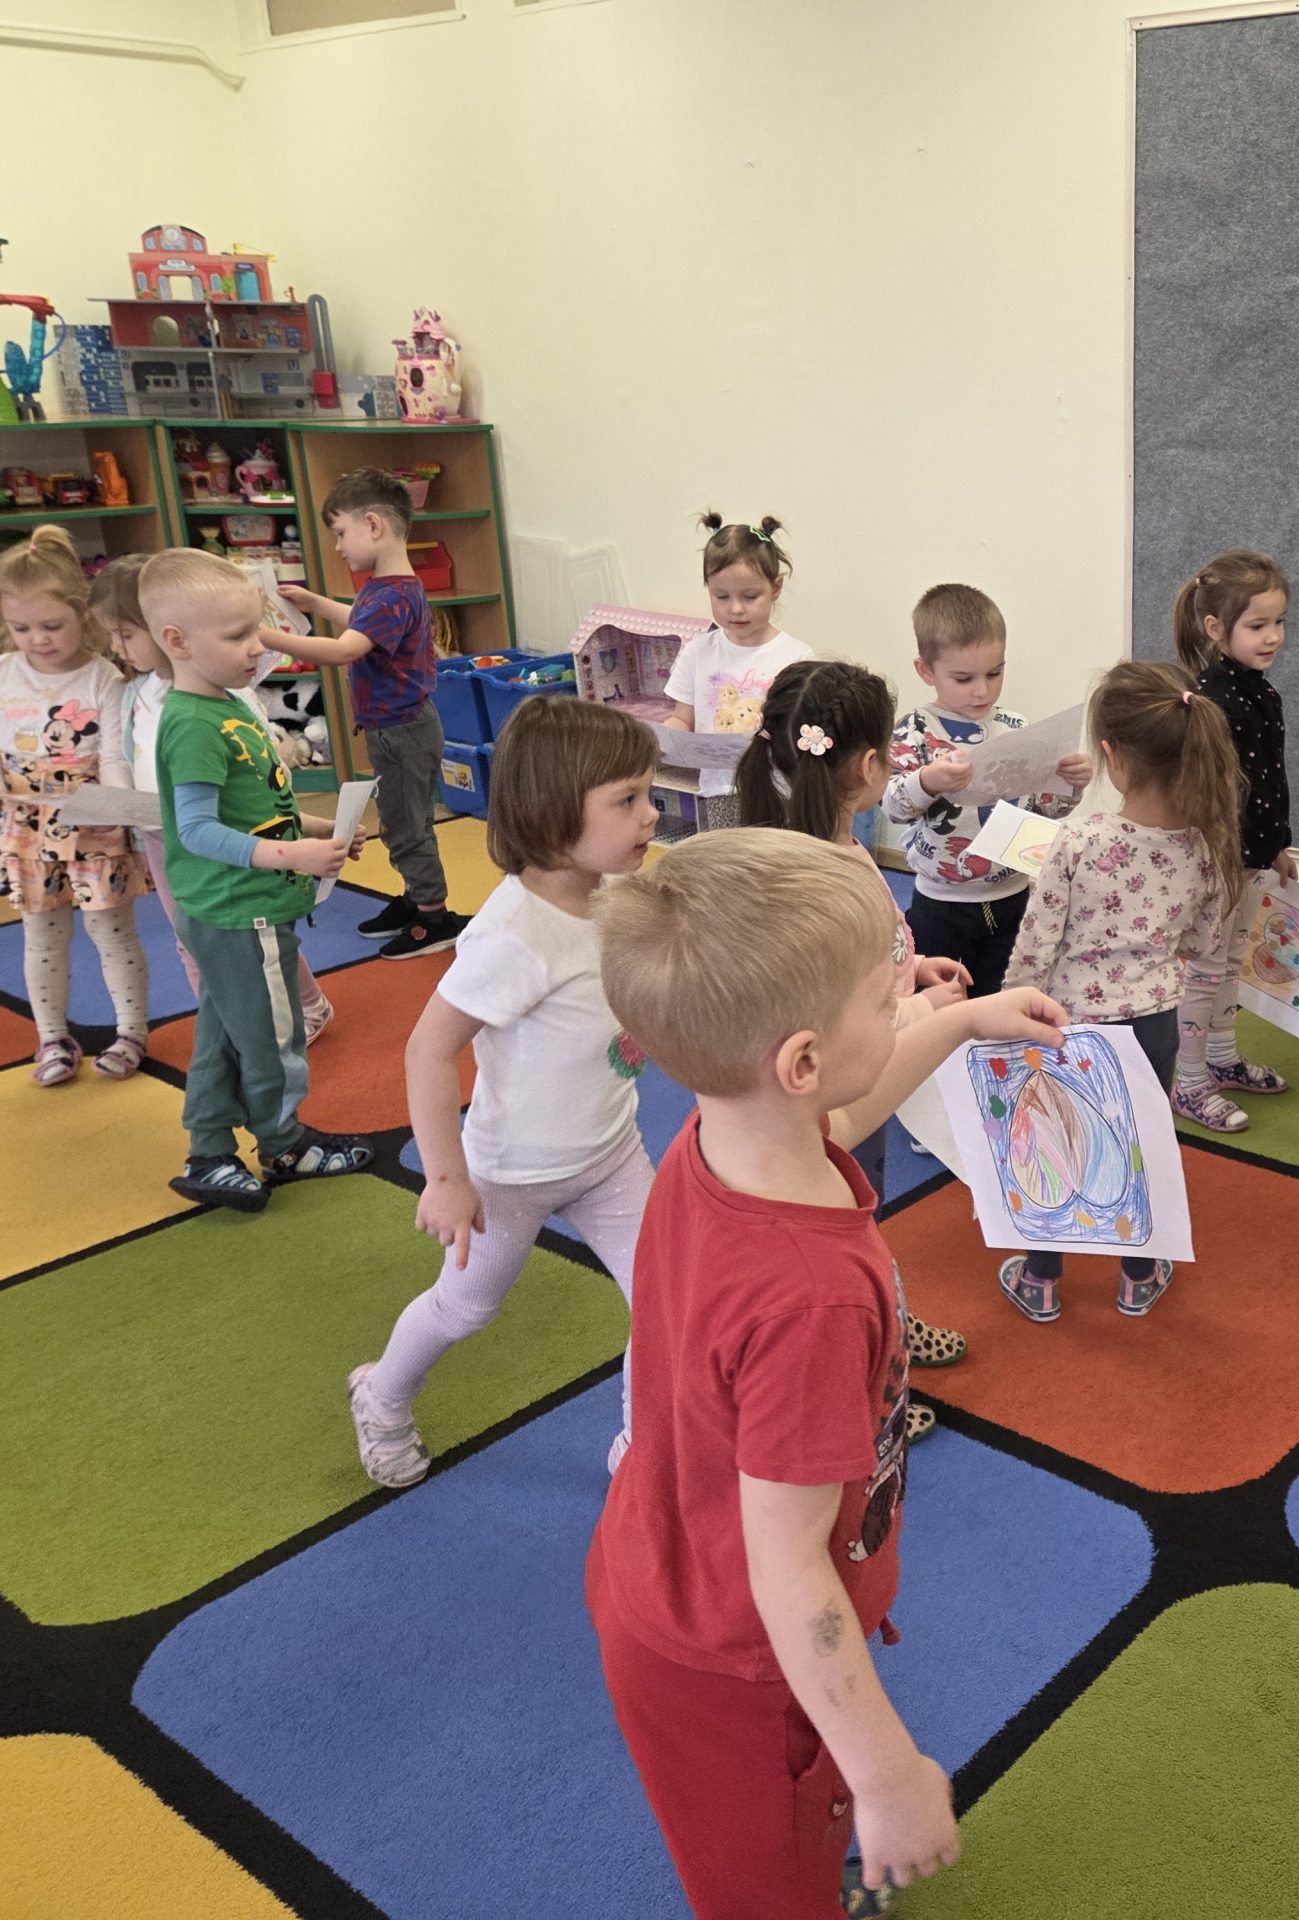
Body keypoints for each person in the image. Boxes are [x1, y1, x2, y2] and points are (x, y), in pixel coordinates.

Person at [587, 828, 1066, 1918]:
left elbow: (844, 1109)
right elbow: (788, 1569)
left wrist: (960, 1021)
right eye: (882, 993)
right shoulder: (810, 1298)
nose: (904, 993)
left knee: (795, 1835)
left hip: (669, 1564)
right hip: (737, 1659)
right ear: (801, 1059)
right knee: (770, 1889)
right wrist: (888, 1772)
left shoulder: (725, 1137)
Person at [346, 699, 664, 1490]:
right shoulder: (514, 935)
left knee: (668, 1301)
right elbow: (428, 1048)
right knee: (465, 1307)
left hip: (611, 1155)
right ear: (553, 813)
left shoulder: (614, 890)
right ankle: (381, 1395)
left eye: (648, 793)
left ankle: (644, 1445)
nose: (651, 814)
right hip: (510, 1175)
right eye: (627, 800)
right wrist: (446, 1179)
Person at [738, 658, 972, 1428]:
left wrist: (912, 966)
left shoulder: (818, 845)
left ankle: (885, 1332)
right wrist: (927, 1008)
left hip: (839, 1091)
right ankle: (864, 1394)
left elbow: (874, 955)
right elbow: (842, 1023)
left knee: (858, 1226)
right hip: (836, 1091)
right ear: (870, 766)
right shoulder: (827, 875)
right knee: (837, 1249)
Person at [999, 661, 1240, 1321]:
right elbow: (1202, 943)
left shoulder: (1078, 839)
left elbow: (1035, 943)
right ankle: (1138, 1275)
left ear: (1112, 757)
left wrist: (1009, 1010)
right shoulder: (1206, 847)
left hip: (1065, 1023)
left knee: (1054, 1142)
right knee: (1141, 1143)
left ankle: (1041, 1278)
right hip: (1154, 1025)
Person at [145, 549, 374, 1212]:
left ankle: (209, 1152)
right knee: (274, 1036)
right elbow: (196, 829)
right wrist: (291, 856)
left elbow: (251, 803)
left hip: (234, 907)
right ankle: (284, 1144)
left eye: (257, 629)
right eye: (237, 636)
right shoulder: (193, 723)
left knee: (222, 1033)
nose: (258, 646)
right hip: (239, 909)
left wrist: (315, 826)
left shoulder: (227, 704)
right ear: (177, 642)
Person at [93, 554, 332, 1043]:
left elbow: (262, 768)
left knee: (260, 930)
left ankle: (305, 1005)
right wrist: (117, 803)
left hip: (232, 833)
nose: (115, 648)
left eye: (125, 634)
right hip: (165, 836)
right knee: (194, 938)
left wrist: (298, 827)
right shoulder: (133, 694)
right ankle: (228, 1028)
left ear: (165, 633)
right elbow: (120, 754)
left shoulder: (221, 696)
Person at [0, 526, 152, 1086]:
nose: (37, 640)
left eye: (51, 626)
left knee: (111, 932)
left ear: (82, 614)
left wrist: (113, 807)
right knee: (42, 937)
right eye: (21, 629)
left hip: (92, 821)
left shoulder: (104, 677)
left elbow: (113, 756)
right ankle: (51, 1038)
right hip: (25, 825)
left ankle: (132, 1032)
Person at [276, 468, 463, 960]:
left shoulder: (392, 593)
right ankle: (416, 897)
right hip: (398, 728)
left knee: (407, 827)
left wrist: (265, 637)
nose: (338, 547)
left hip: (403, 731)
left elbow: (345, 649)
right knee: (404, 820)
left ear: (374, 525)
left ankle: (434, 918)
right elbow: (360, 623)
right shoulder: (389, 589)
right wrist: (314, 603)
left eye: (341, 533)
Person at [884, 583, 1091, 996]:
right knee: (935, 999)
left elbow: (1040, 810)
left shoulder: (1014, 726)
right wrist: (928, 781)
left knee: (1002, 994)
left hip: (1010, 894)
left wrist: (1069, 785)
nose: (982, 690)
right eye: (963, 678)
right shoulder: (915, 731)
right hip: (940, 901)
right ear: (926, 671)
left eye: (995, 673)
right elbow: (892, 806)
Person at [1170, 549, 1294, 1134]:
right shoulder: (1212, 701)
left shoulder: (1259, 691)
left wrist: (1276, 845)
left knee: (1228, 964)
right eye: (1258, 625)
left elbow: (1266, 780)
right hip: (1217, 864)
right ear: (1216, 628)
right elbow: (1204, 795)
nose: (1273, 637)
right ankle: (1189, 1080)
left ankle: (1220, 1056)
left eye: (1279, 622)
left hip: (1248, 858)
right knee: (1204, 969)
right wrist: (1220, 863)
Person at [664, 512, 814, 832]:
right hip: (720, 790)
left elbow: (803, 731)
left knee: (775, 860)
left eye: (750, 596)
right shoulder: (698, 652)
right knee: (727, 860)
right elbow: (681, 718)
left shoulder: (797, 657)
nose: (735, 608)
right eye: (721, 597)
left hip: (780, 791)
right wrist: (666, 739)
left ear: (775, 587)